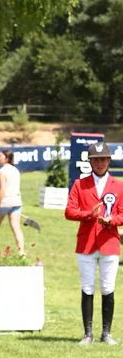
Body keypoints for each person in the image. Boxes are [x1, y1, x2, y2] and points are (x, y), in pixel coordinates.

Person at [65, 139, 123, 345]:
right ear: (90, 162)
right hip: (86, 243)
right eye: (95, 160)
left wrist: (112, 220)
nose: (99, 163)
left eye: (103, 159)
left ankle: (106, 333)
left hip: (109, 243)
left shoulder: (119, 185)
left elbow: (122, 214)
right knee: (87, 287)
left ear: (109, 161)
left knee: (108, 288)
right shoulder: (80, 184)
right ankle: (87, 333)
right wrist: (89, 215)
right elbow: (69, 212)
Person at [0, 148, 25, 255]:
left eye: (0, 156)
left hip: (5, 202)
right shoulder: (16, 170)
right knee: (16, 227)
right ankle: (21, 251)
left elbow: (2, 190)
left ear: (7, 158)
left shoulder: (1, 171)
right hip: (16, 201)